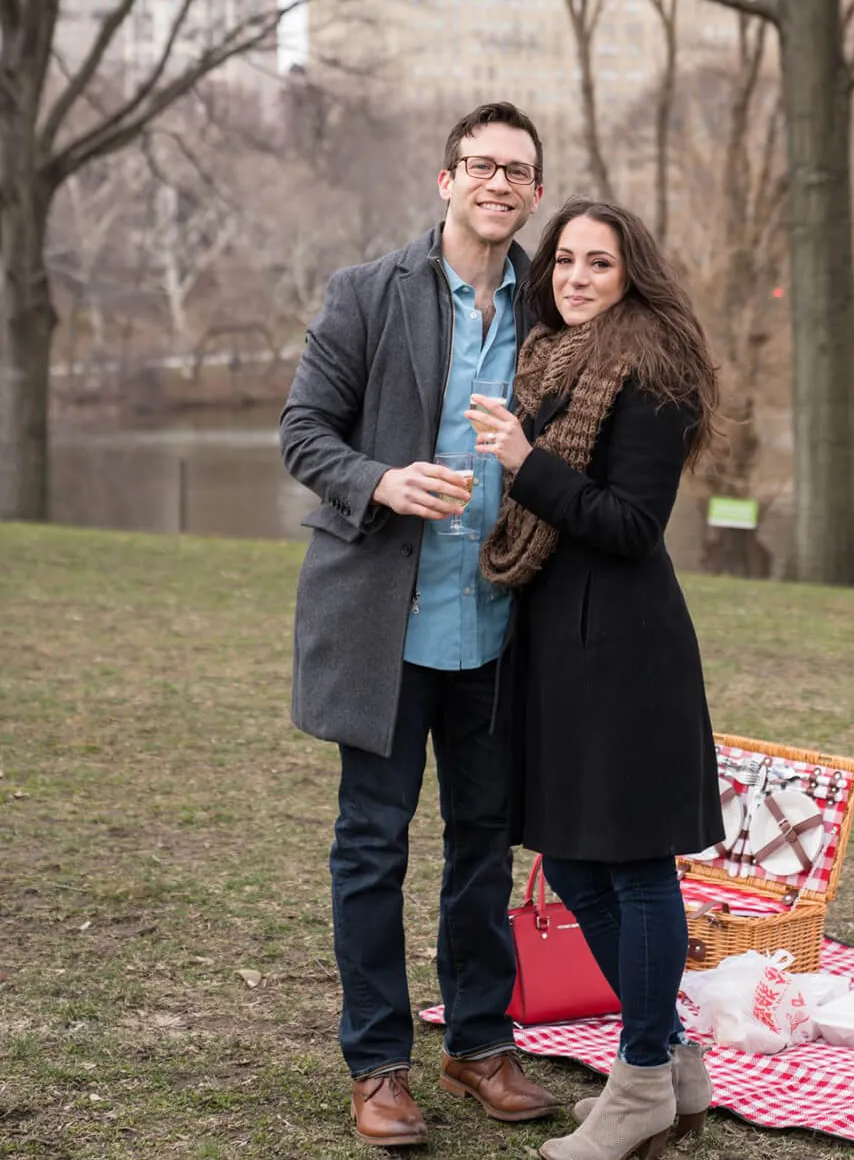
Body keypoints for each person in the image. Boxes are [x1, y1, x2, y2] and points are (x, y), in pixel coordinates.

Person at [279, 102, 559, 1148]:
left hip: (496, 623)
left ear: (533, 190)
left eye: (518, 169)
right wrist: (384, 478)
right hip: (384, 628)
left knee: (485, 846)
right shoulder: (367, 293)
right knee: (371, 846)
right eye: (481, 164)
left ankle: (480, 1041)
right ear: (446, 179)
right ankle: (378, 1064)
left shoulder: (553, 313)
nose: (499, 181)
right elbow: (302, 430)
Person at [466, 198, 723, 1160]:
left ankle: (642, 1078)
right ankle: (675, 1060)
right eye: (565, 260)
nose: (574, 276)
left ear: (632, 275)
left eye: (598, 263)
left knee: (635, 865)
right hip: (560, 649)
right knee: (574, 863)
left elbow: (629, 527)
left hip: (625, 651)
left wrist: (526, 464)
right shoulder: (551, 361)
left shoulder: (653, 370)